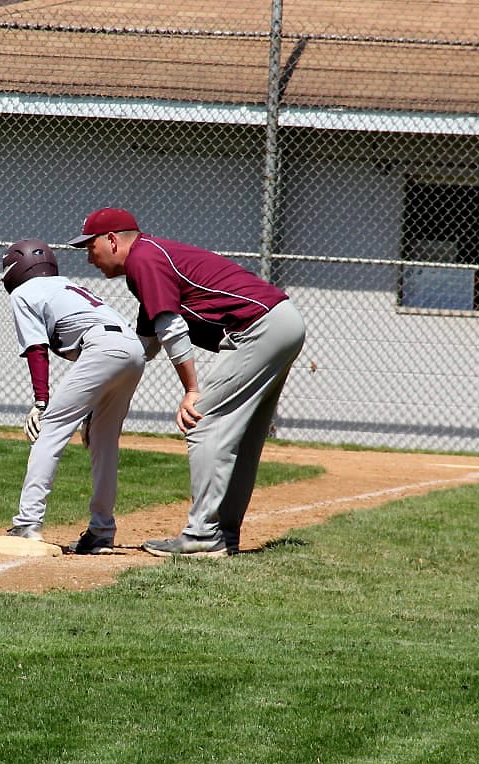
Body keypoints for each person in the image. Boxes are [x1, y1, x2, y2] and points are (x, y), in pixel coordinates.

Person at [71, 207, 305, 557]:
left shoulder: (144, 261)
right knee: (243, 436)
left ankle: (203, 536)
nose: (90, 258)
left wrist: (191, 390)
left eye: (90, 248)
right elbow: (141, 350)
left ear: (112, 241)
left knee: (202, 421)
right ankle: (222, 535)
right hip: (282, 323)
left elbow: (172, 328)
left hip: (261, 329)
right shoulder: (150, 262)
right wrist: (101, 403)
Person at [0, 238, 145, 555]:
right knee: (103, 441)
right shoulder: (65, 286)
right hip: (133, 350)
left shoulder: (25, 293)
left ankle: (27, 523)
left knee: (50, 429)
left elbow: (37, 349)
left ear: (16, 268)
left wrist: (42, 402)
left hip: (101, 348)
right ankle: (101, 531)